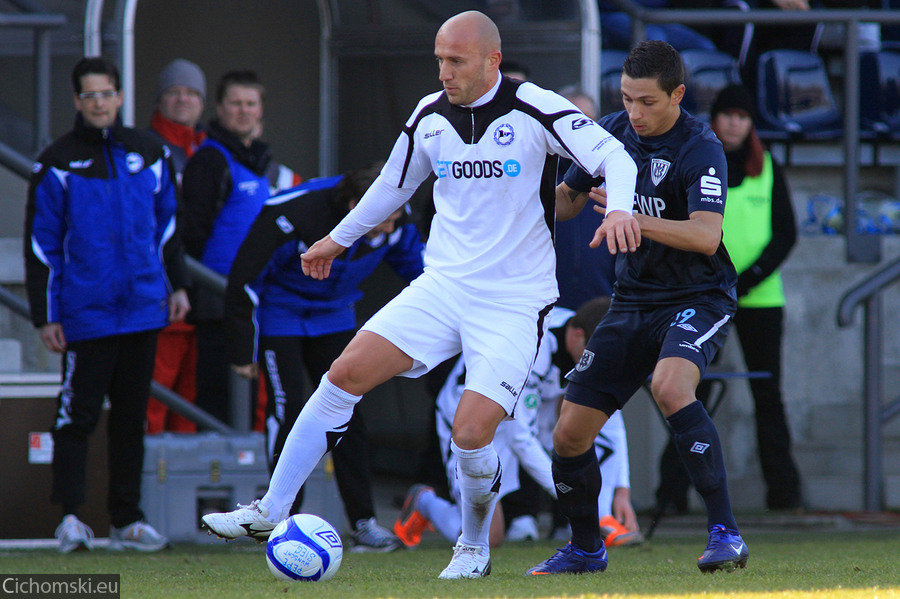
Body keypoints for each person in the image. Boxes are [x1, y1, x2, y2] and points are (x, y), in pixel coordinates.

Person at [201, 9, 639, 580]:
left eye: (456, 60)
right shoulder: (430, 115)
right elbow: (391, 187)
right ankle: (270, 509)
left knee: (471, 431)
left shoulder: (536, 105)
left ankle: (474, 547)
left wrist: (625, 206)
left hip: (513, 300)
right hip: (442, 285)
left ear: (492, 60)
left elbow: (614, 155)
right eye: (439, 59)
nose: (444, 72)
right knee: (343, 376)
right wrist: (333, 241)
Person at [527, 40, 749, 576]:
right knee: (568, 432)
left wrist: (632, 216)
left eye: (646, 101)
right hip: (632, 300)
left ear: (677, 94)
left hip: (697, 297)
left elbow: (703, 235)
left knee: (671, 387)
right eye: (626, 99)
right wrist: (521, 174)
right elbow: (566, 201)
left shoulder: (700, 146)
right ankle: (586, 548)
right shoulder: (612, 132)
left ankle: (726, 534)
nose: (634, 112)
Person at [24, 56, 190, 553]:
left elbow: (169, 231)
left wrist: (177, 286)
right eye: (89, 95)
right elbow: (41, 246)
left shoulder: (151, 152)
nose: (99, 103)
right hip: (85, 313)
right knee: (76, 417)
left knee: (131, 419)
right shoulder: (56, 162)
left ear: (120, 97)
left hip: (143, 307)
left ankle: (128, 520)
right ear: (77, 101)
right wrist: (45, 314)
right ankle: (72, 518)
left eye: (107, 93)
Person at [224, 165, 424, 551]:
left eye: (395, 219)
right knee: (288, 409)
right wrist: (242, 347)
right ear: (356, 206)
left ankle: (364, 523)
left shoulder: (396, 216)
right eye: (383, 220)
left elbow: (422, 271)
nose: (389, 228)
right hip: (281, 314)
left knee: (348, 412)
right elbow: (243, 280)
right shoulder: (293, 215)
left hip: (335, 315)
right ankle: (275, 521)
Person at [394, 299, 643, 550]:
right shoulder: (536, 347)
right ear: (578, 336)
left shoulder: (580, 333)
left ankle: (597, 516)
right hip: (469, 416)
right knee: (486, 539)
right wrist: (571, 495)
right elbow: (520, 438)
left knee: (589, 413)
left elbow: (608, 419)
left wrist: (621, 490)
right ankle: (425, 502)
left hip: (517, 411)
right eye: (597, 354)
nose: (599, 364)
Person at [709, 83, 802, 510]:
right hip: (709, 296)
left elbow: (786, 233)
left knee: (769, 396)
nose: (734, 123)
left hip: (761, 300)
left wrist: (747, 279)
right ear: (714, 118)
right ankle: (671, 495)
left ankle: (784, 493)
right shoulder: (701, 160)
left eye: (742, 116)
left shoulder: (767, 167)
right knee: (691, 393)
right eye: (727, 114)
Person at [181, 69, 270, 426]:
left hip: (253, 299)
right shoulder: (210, 159)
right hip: (218, 301)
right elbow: (193, 232)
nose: (243, 110)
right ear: (218, 108)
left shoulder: (259, 160)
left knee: (250, 401)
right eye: (235, 103)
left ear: (261, 110)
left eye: (251, 103)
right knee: (219, 397)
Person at [145, 58, 207, 434]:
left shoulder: (209, 149)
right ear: (159, 100)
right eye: (173, 92)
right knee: (157, 390)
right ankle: (150, 481)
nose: (183, 99)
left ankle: (181, 484)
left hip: (204, 290)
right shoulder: (146, 149)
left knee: (191, 395)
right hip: (163, 286)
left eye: (191, 92)